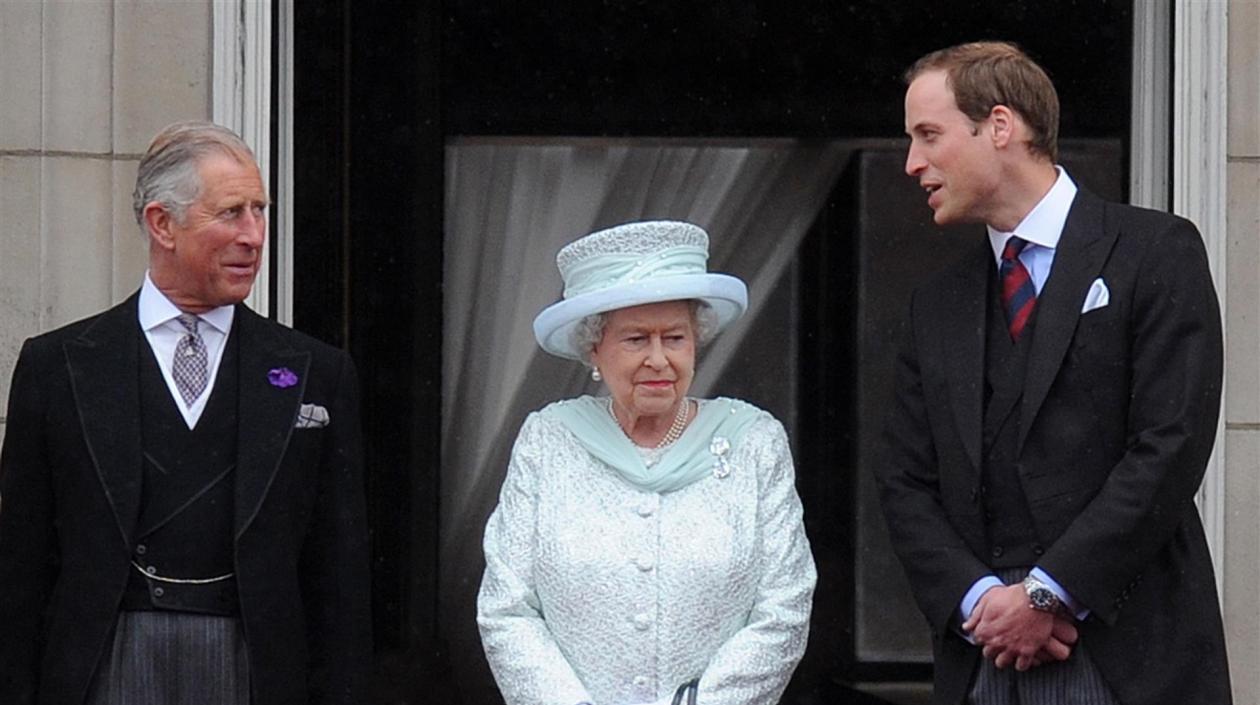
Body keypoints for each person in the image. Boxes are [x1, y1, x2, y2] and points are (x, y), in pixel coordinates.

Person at [874, 40, 1230, 705]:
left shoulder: (1156, 252)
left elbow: (1171, 442)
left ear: (1001, 126)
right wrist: (982, 602)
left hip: (1126, 656)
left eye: (928, 135)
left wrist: (1049, 591)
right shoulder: (936, 304)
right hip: (984, 659)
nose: (913, 163)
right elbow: (903, 480)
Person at [0, 121, 371, 705]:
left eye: (259, 210)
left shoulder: (316, 372)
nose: (254, 235)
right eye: (230, 213)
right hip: (105, 662)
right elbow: (19, 566)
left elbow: (341, 577)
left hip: (258, 668)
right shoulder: (58, 367)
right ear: (162, 224)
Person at [477, 220, 816, 705]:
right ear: (594, 348)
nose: (658, 359)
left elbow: (785, 604)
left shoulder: (755, 443)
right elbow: (506, 608)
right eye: (636, 339)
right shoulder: (547, 441)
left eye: (674, 338)